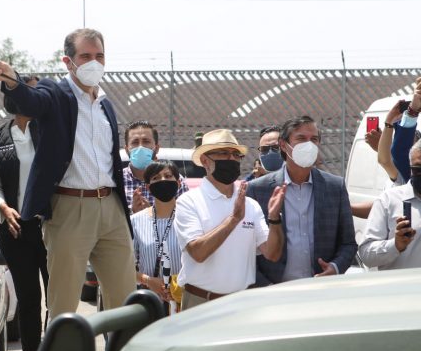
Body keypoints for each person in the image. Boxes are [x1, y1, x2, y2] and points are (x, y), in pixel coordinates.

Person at [0, 28, 137, 318]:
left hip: (112, 207)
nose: (94, 62)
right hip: (70, 209)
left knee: (125, 303)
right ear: (68, 61)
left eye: (99, 55)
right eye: (85, 56)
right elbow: (31, 101)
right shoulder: (55, 93)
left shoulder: (106, 104)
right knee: (64, 307)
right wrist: (12, 81)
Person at [175, 129, 285, 309]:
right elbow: (198, 253)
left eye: (236, 155)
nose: (232, 159)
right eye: (224, 154)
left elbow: (271, 254)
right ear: (205, 160)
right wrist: (233, 219)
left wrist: (274, 219)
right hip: (201, 302)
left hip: (241, 304)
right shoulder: (188, 202)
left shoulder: (250, 205)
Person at [0, 84, 48, 351]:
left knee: (58, 300)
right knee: (28, 302)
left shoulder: (49, 130)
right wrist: (2, 207)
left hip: (52, 227)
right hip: (14, 230)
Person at [246, 116, 357, 286]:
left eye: (314, 139)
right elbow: (247, 250)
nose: (309, 144)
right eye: (301, 139)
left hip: (320, 290)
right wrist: (265, 287)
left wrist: (335, 267)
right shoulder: (257, 189)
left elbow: (348, 243)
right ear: (283, 145)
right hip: (273, 292)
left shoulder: (335, 187)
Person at [358, 141, 420, 269]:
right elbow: (365, 254)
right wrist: (395, 245)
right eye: (418, 168)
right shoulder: (389, 200)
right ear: (410, 168)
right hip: (402, 288)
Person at [131, 161, 184, 314]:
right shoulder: (136, 221)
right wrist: (148, 280)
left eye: (168, 176)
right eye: (156, 178)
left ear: (178, 183)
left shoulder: (190, 219)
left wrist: (178, 285)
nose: (163, 181)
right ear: (148, 186)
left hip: (183, 302)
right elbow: (125, 267)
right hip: (148, 303)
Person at [122, 120, 188, 213]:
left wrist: (152, 215)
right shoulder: (117, 181)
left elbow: (185, 215)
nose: (140, 147)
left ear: (156, 148)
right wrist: (133, 214)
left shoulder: (173, 180)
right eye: (135, 142)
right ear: (126, 149)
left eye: (146, 142)